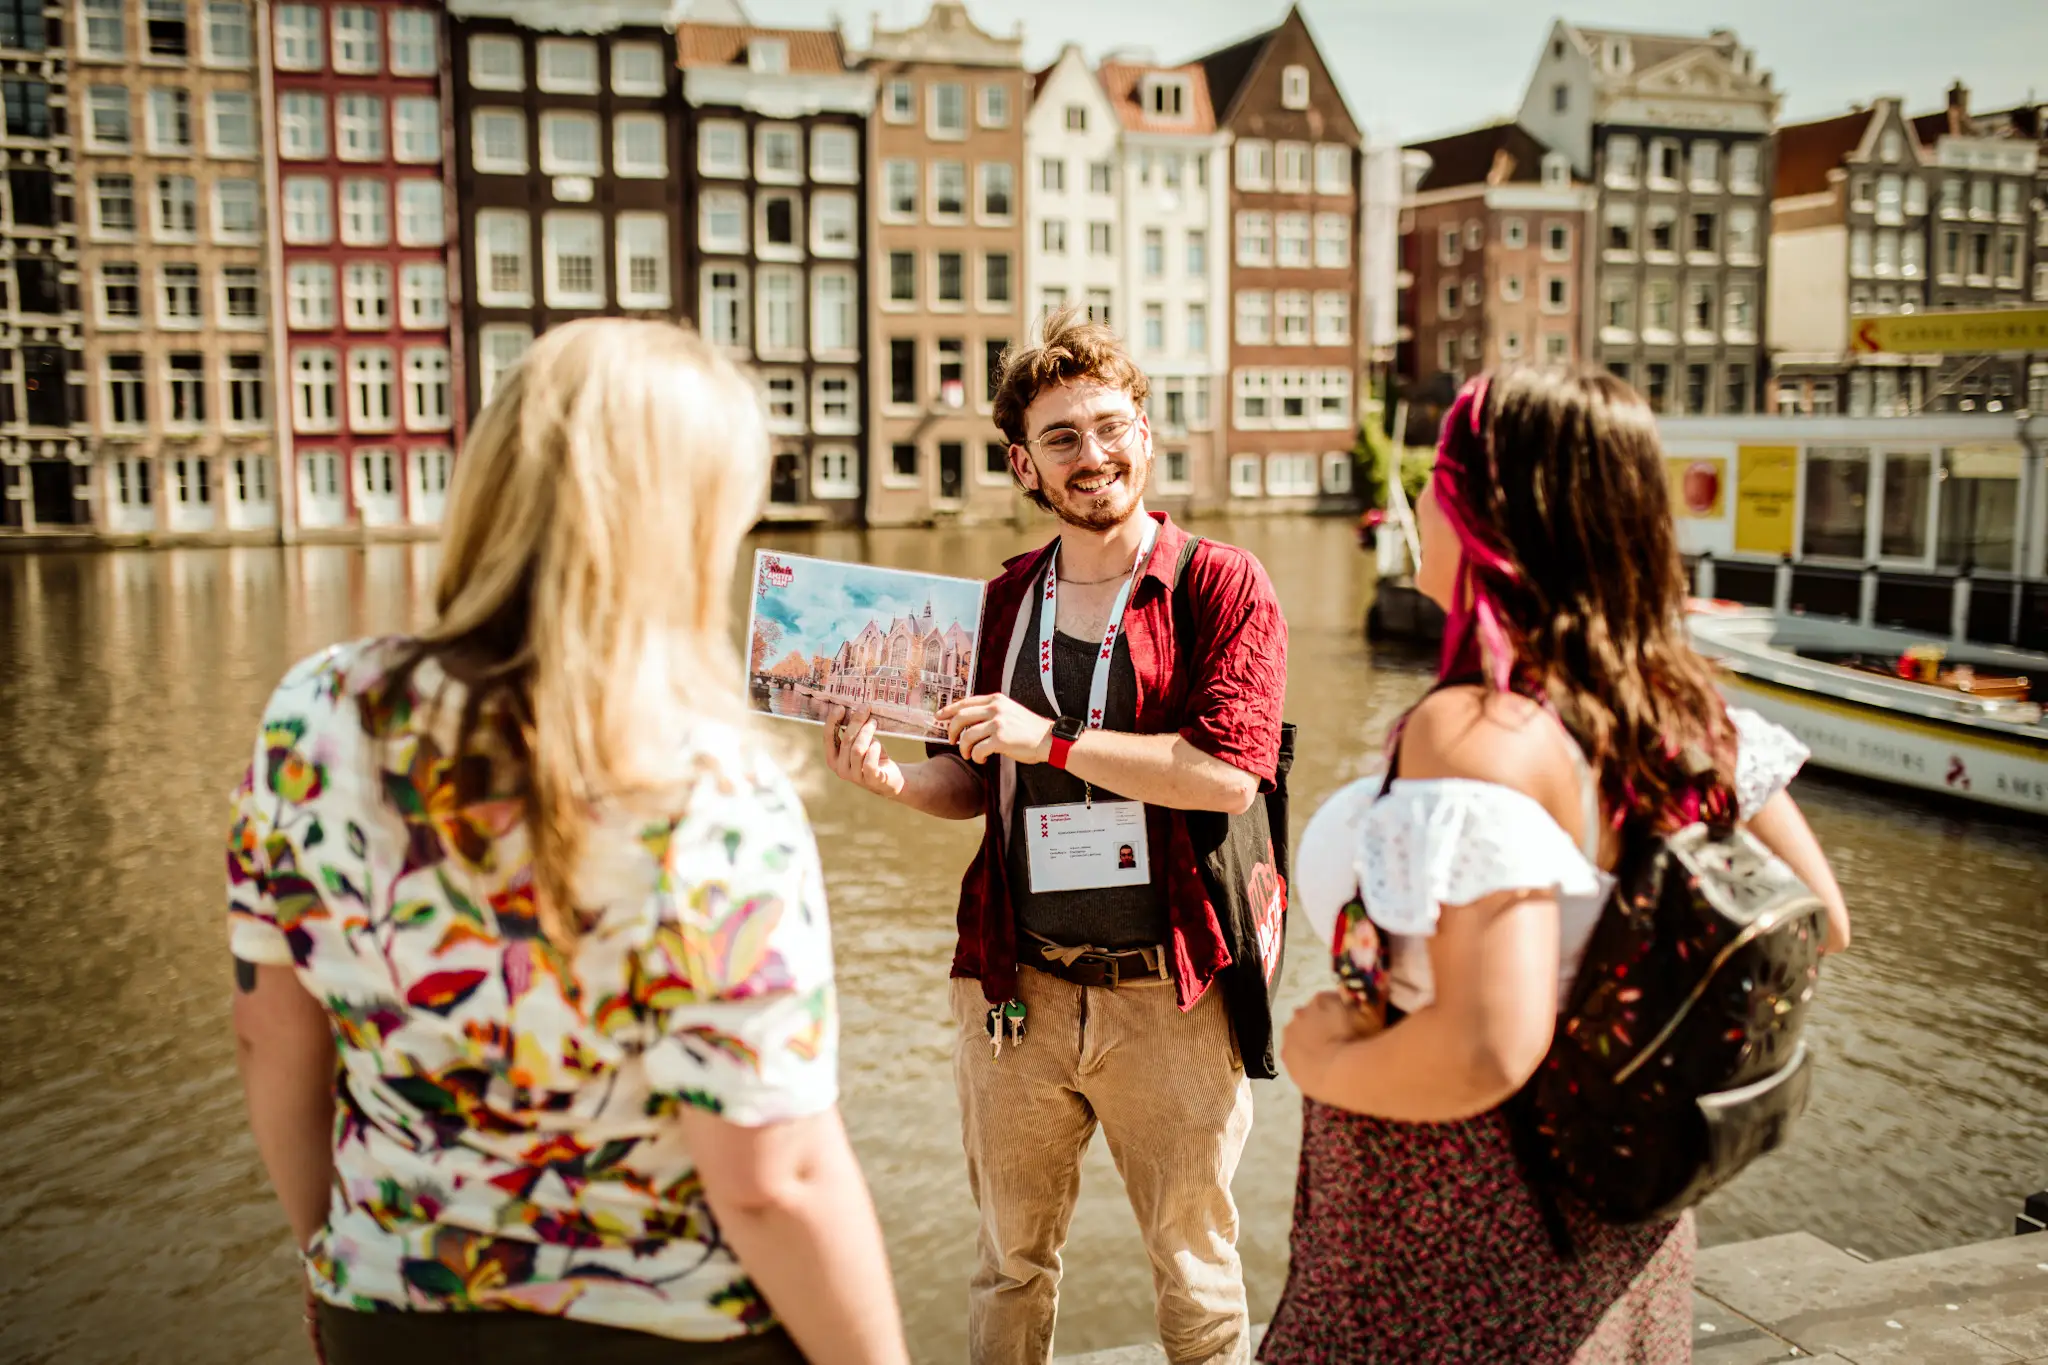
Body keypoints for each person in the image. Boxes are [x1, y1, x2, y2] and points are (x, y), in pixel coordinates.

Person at [227, 320, 909, 1365]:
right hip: (670, 1336)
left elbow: (271, 1038)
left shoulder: (312, 714)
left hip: (392, 1313)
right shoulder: (709, 788)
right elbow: (773, 1182)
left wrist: (335, 1255)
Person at [1262, 370, 1853, 1364]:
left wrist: (1321, 1063)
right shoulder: (1683, 715)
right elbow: (1820, 923)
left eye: (1437, 473)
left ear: (1490, 513)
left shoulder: (1474, 732)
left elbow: (1485, 1048)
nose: (1418, 498)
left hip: (1456, 1223)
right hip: (1620, 1206)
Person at [822, 307, 1287, 1365]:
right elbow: (971, 780)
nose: (1093, 454)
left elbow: (1228, 777)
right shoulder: (995, 605)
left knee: (1196, 1271)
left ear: (1146, 434)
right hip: (1015, 990)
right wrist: (892, 780)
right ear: (1023, 466)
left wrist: (1055, 740)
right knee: (1008, 1267)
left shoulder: (1220, 584)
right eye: (1062, 437)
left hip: (1169, 996)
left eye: (1110, 426)